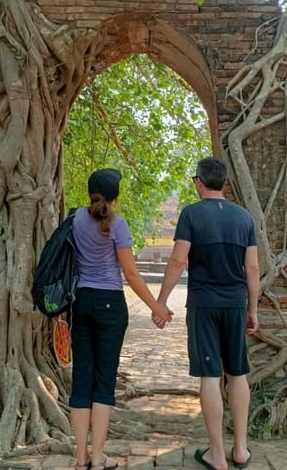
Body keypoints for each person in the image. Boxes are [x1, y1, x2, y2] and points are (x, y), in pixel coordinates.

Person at [156, 157, 260, 470]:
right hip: (235, 303)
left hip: (203, 304)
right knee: (237, 373)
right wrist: (252, 308)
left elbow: (177, 262)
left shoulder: (191, 214)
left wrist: (161, 302)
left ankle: (217, 453)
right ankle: (240, 449)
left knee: (210, 375)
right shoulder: (244, 217)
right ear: (224, 182)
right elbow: (252, 267)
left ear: (199, 182)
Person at [70, 168, 173, 470]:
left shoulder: (74, 218)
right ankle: (99, 457)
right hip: (110, 306)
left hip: (80, 302)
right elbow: (130, 273)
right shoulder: (118, 224)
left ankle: (80, 458)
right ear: (116, 196)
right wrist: (156, 306)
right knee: (104, 380)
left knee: (81, 379)